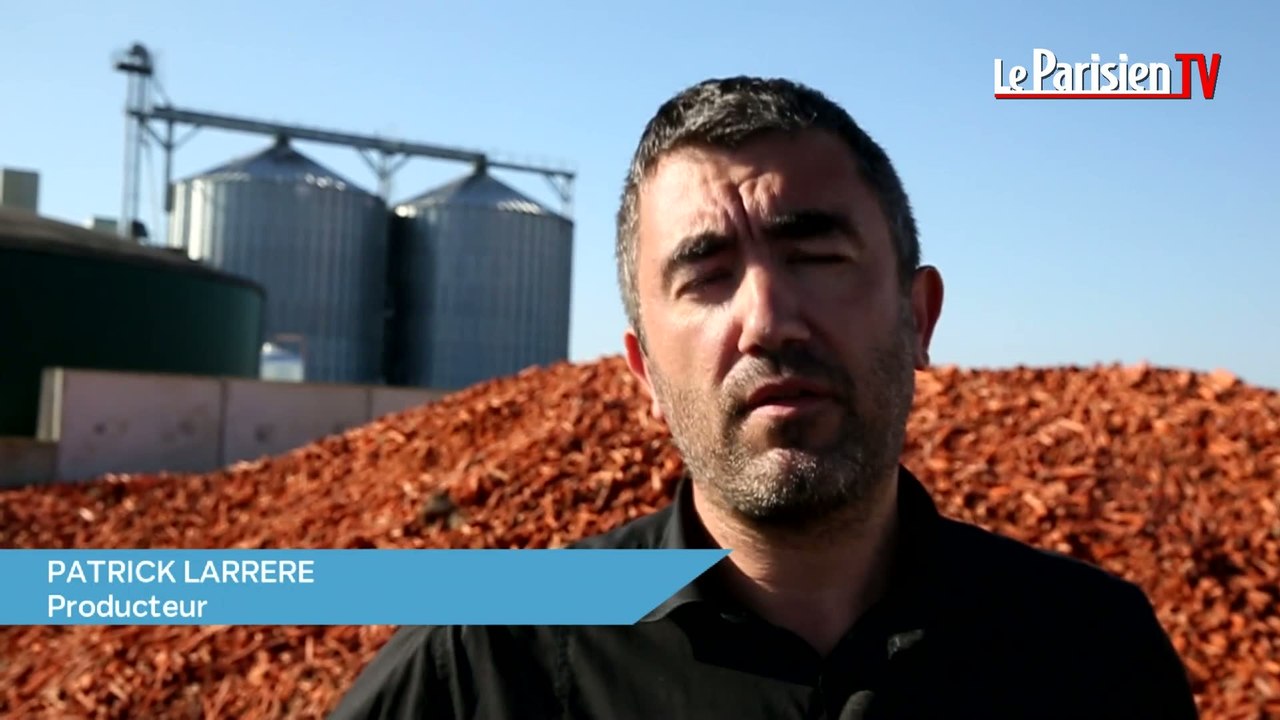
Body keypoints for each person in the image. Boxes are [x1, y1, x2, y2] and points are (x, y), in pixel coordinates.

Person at [329, 76, 1199, 720]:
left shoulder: (1089, 651)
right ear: (645, 376)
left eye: (816, 257)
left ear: (920, 314)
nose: (768, 319)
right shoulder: (481, 664)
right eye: (706, 277)